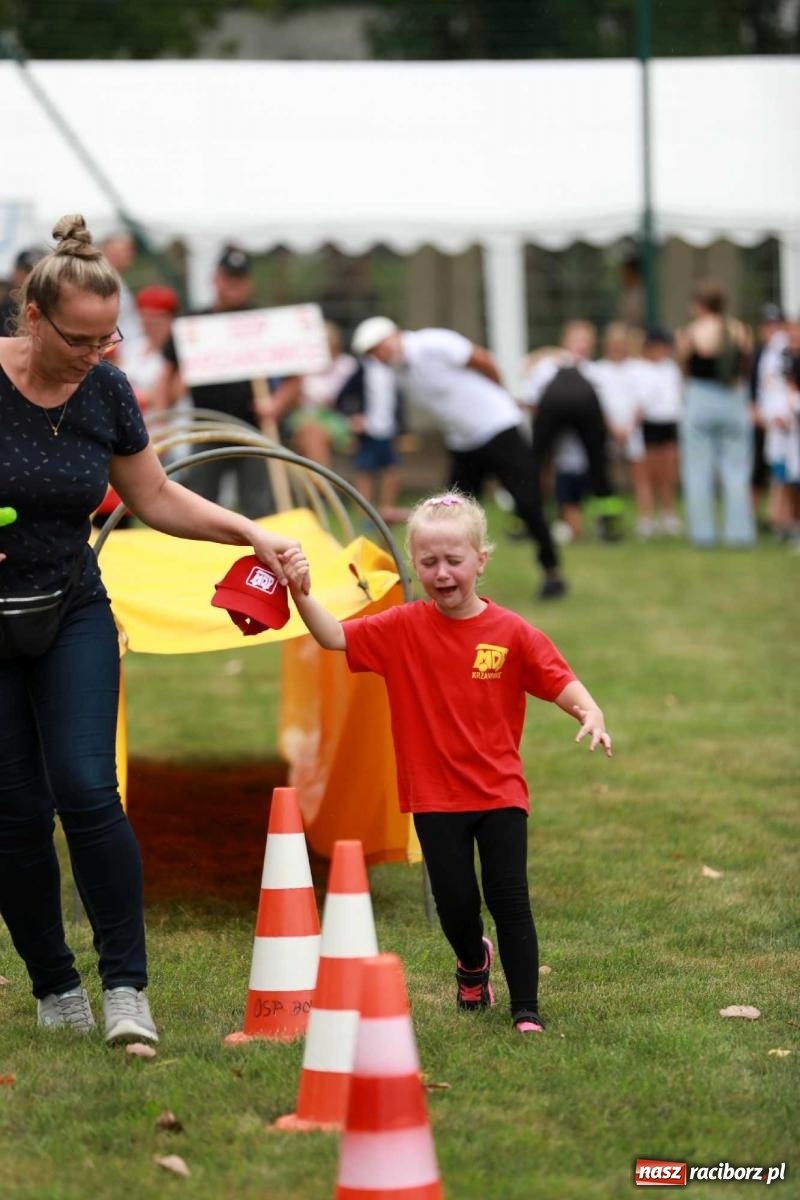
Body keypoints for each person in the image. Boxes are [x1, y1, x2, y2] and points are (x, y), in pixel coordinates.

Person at [0, 214, 308, 1045]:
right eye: (79, 339)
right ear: (33, 318)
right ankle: (54, 985)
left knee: (87, 787)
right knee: (15, 813)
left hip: (71, 608)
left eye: (107, 339)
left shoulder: (106, 389)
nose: (95, 355)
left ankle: (126, 989)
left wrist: (249, 533)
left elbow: (155, 495)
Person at [280, 490, 612, 1035]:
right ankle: (472, 962)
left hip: (500, 791)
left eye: (454, 560)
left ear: (481, 561)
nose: (441, 573)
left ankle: (525, 1010)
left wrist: (590, 710)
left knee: (510, 900)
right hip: (434, 795)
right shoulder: (401, 628)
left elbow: (559, 679)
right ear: (414, 564)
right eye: (429, 561)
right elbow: (333, 635)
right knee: (457, 905)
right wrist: (300, 592)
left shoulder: (511, 632)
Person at [350, 316, 568, 600]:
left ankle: (552, 572)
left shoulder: (433, 343)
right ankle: (451, 581)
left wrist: (498, 396)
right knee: (450, 513)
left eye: (380, 347)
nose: (380, 355)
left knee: (527, 501)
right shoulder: (398, 372)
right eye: (373, 353)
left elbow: (483, 360)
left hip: (498, 426)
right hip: (463, 441)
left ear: (395, 335)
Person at [163, 246, 293, 517]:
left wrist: (277, 404)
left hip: (256, 428)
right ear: (216, 279)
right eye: (229, 278)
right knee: (197, 505)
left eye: (240, 279)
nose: (234, 285)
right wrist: (167, 412)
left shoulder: (264, 323)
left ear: (250, 283)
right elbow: (167, 378)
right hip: (206, 427)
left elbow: (295, 374)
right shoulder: (193, 325)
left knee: (262, 508)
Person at [519, 320, 624, 544]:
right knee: (538, 464)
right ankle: (529, 517)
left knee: (597, 464)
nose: (582, 345)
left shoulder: (594, 372)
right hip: (562, 434)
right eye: (577, 340)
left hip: (573, 448)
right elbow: (531, 399)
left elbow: (603, 411)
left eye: (587, 341)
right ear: (565, 342)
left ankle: (606, 521)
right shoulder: (547, 367)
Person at [675, 280, 755, 547]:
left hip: (700, 397)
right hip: (733, 397)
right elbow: (746, 366)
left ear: (700, 305)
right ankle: (739, 533)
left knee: (698, 469)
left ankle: (703, 534)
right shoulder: (740, 330)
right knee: (737, 469)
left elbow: (684, 368)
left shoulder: (691, 332)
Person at [336, 332, 407, 522]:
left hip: (388, 429)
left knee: (391, 471)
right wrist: (353, 418)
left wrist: (401, 426)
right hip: (369, 432)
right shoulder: (362, 370)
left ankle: (386, 510)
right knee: (365, 472)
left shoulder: (392, 370)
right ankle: (365, 515)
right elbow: (342, 397)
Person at [285, 320, 356, 469]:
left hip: (341, 419)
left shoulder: (349, 366)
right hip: (305, 418)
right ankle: (321, 480)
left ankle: (319, 481)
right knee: (310, 434)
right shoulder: (302, 368)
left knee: (311, 435)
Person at [634, 327, 684, 537]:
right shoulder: (637, 369)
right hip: (648, 424)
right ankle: (646, 517)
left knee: (668, 473)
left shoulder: (671, 368)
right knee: (648, 474)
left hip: (669, 423)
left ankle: (667, 514)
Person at [0, 246, 47, 335]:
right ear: (15, 272)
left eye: (36, 273)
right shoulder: (3, 309)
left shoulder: (50, 312)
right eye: (27, 271)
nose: (30, 277)